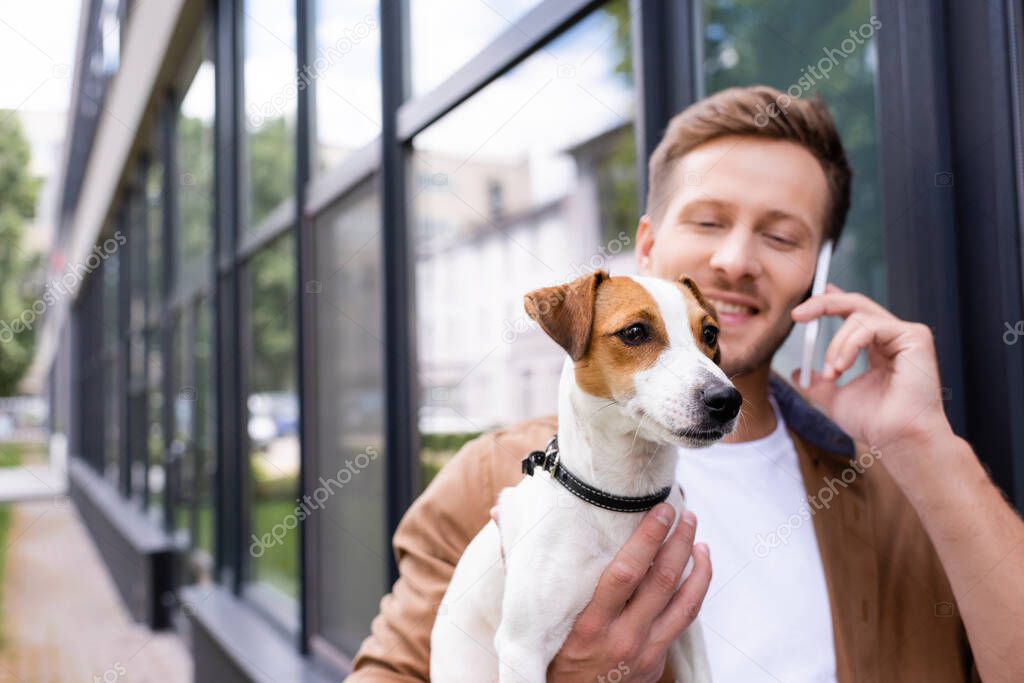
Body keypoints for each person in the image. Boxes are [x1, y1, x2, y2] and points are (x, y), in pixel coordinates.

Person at [347, 86, 1024, 682]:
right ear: (646, 245)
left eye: (782, 237)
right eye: (707, 221)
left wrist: (924, 442)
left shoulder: (895, 484)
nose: (735, 260)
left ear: (816, 276)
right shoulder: (491, 484)